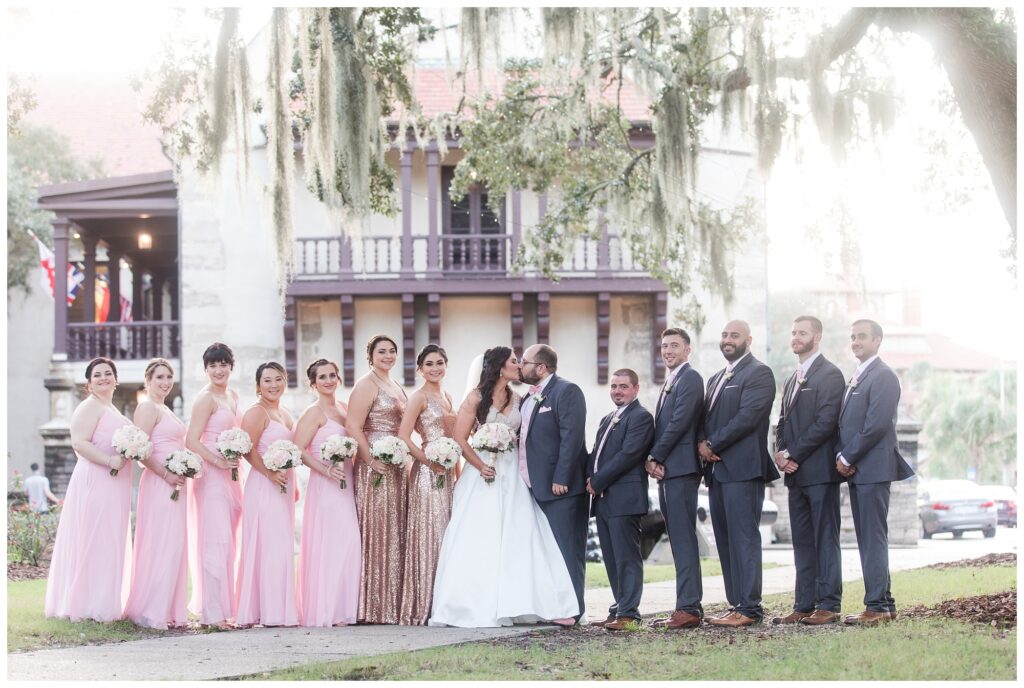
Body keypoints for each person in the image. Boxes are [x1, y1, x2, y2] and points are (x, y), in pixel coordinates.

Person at [429, 346, 578, 628]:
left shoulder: (520, 398)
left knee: (523, 535)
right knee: (482, 537)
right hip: (483, 472)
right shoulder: (475, 398)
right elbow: (460, 439)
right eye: (513, 361)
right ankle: (474, 604)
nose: (519, 365)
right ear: (500, 367)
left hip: (513, 472)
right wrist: (480, 465)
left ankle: (530, 602)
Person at [698, 320, 779, 627]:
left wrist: (712, 443)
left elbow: (748, 417)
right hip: (717, 471)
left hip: (743, 469)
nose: (728, 340)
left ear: (749, 340)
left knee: (744, 538)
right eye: (724, 335)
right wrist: (700, 443)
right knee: (725, 539)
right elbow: (705, 417)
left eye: (735, 335)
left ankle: (750, 607)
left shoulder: (759, 373)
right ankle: (736, 604)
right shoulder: (717, 377)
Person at [836, 319, 914, 625]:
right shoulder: (858, 376)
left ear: (877, 340)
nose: (855, 341)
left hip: (872, 468)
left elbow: (876, 424)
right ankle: (886, 603)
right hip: (858, 469)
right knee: (869, 537)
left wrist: (848, 455)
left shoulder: (883, 376)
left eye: (862, 337)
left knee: (872, 538)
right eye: (853, 337)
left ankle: (877, 606)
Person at [770, 316, 846, 626]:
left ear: (817, 337)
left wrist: (793, 452)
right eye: (793, 332)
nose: (796, 337)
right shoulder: (791, 378)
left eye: (802, 333)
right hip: (795, 474)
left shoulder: (831, 374)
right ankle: (803, 604)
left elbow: (826, 423)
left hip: (820, 472)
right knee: (801, 540)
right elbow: (783, 421)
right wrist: (780, 454)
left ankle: (828, 604)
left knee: (825, 538)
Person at [45, 357, 133, 622]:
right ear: (89, 383)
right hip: (96, 479)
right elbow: (79, 444)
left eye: (108, 373)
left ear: (116, 380)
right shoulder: (89, 407)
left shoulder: (114, 410)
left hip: (116, 483)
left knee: (109, 539)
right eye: (98, 375)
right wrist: (109, 461)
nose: (104, 378)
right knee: (94, 537)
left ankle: (104, 601)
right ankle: (85, 604)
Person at [518, 343, 590, 623]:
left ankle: (573, 611)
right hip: (533, 487)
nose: (520, 366)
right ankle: (553, 606)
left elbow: (572, 438)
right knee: (548, 551)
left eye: (524, 362)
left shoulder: (566, 391)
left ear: (541, 367)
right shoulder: (527, 397)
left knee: (567, 549)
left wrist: (562, 477)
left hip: (561, 488)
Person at [645, 328, 706, 630]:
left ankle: (689, 607)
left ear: (687, 350)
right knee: (677, 539)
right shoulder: (671, 380)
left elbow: (680, 422)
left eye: (674, 346)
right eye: (664, 345)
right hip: (669, 469)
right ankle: (685, 605)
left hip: (681, 468)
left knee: (683, 538)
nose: (668, 350)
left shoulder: (690, 379)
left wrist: (654, 456)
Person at [346, 334, 408, 625]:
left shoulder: (395, 384)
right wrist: (370, 459)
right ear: (370, 355)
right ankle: (372, 606)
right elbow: (353, 426)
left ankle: (393, 603)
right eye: (381, 351)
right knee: (378, 530)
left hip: (397, 464)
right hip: (376, 467)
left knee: (395, 530)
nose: (388, 355)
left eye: (392, 351)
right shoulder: (366, 384)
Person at [587, 368, 654, 631]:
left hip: (625, 498)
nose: (617, 391)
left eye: (623, 386)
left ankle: (629, 613)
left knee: (627, 557)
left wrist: (598, 480)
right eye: (614, 386)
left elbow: (628, 455)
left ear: (635, 389)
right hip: (604, 500)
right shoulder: (607, 419)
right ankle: (618, 607)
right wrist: (587, 477)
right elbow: (596, 455)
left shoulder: (641, 417)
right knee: (612, 557)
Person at [124, 358, 189, 629]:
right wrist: (166, 473)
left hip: (174, 482)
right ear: (148, 380)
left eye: (168, 377)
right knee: (160, 542)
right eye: (159, 377)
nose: (165, 382)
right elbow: (141, 449)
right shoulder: (147, 407)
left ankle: (170, 609)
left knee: (173, 544)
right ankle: (152, 609)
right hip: (159, 482)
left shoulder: (166, 407)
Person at [295, 358, 361, 627]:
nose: (329, 380)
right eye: (322, 377)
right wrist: (325, 470)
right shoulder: (313, 412)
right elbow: (299, 449)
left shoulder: (344, 409)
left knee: (349, 543)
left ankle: (344, 608)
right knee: (333, 543)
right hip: (326, 486)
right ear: (313, 383)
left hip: (345, 483)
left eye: (332, 375)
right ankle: (328, 610)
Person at [397, 345, 457, 625]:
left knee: (447, 534)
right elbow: (404, 436)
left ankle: (445, 601)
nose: (435, 368)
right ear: (420, 369)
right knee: (429, 535)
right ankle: (424, 604)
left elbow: (454, 438)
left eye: (440, 363)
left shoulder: (447, 396)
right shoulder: (418, 397)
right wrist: (427, 461)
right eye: (429, 364)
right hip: (426, 474)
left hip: (448, 474)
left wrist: (456, 472)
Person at [236, 362, 299, 627]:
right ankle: (267, 612)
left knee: (281, 546)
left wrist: (290, 482)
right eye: (267, 381)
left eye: (278, 379)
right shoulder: (256, 412)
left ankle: (280, 609)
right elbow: (247, 449)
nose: (274, 385)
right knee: (268, 546)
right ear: (258, 385)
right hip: (263, 484)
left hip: (283, 485)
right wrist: (270, 473)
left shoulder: (284, 412)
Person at [185, 342, 243, 626]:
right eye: (212, 366)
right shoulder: (205, 398)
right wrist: (218, 462)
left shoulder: (232, 395)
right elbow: (191, 440)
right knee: (214, 541)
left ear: (231, 366)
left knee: (229, 541)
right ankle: (212, 613)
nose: (218, 370)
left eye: (223, 364)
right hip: (211, 477)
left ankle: (225, 607)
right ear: (206, 369)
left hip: (231, 475)